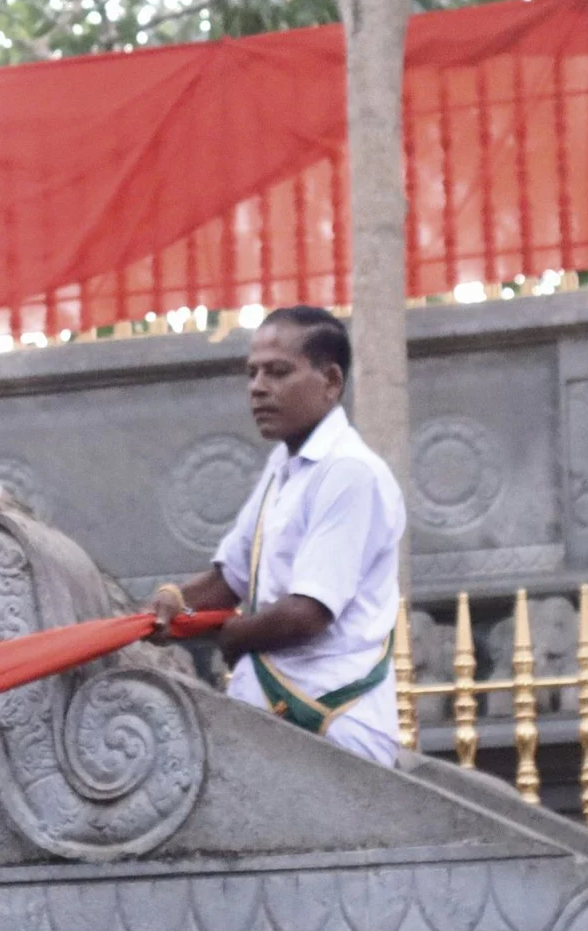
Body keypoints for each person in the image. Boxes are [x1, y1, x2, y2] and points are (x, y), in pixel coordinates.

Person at [148, 305, 406, 764]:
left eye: (278, 372)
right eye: (252, 374)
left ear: (330, 382)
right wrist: (170, 601)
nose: (258, 388)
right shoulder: (282, 466)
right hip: (275, 721)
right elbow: (230, 578)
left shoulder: (349, 471)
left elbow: (307, 613)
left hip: (331, 727)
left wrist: (232, 635)